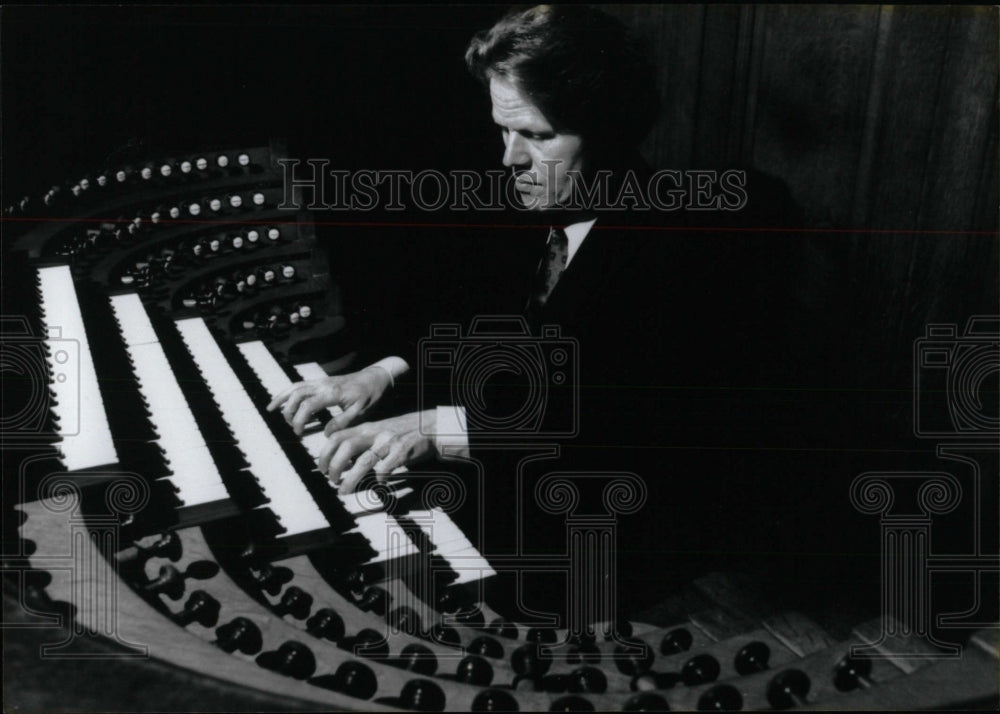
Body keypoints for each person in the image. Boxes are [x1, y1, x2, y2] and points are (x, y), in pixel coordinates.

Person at [268, 4, 800, 617]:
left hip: (591, 532)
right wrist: (381, 373)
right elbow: (455, 317)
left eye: (539, 136)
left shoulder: (685, 250)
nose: (509, 160)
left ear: (609, 129)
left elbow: (614, 423)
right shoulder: (521, 202)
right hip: (488, 490)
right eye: (503, 130)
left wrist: (431, 428)